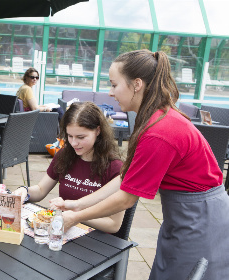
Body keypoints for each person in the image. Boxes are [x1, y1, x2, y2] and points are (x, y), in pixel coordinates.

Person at [50, 50, 229, 279]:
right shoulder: (155, 117)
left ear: (136, 84)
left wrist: (75, 217)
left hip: (201, 222)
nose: (110, 92)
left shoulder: (158, 131)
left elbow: (126, 197)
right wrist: (76, 205)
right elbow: (124, 178)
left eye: (114, 85)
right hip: (187, 215)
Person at [14, 102, 124, 233]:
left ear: (98, 131)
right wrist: (24, 191)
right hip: (64, 232)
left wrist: (75, 216)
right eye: (70, 136)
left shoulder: (115, 168)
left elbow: (113, 225)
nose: (73, 143)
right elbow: (41, 189)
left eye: (80, 137)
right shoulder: (64, 155)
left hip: (96, 240)